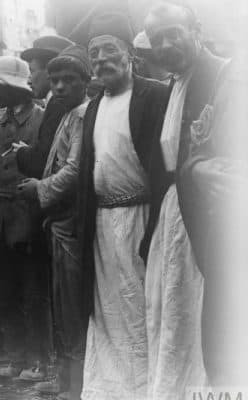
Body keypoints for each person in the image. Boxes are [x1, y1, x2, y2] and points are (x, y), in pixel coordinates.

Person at [76, 13, 170, 400]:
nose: (100, 59)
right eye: (93, 52)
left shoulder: (155, 95)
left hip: (144, 220)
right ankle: (111, 390)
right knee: (108, 311)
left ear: (130, 53)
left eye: (109, 50)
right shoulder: (94, 105)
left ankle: (149, 389)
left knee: (144, 309)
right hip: (101, 226)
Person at [144, 2, 229, 395]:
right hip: (175, 212)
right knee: (174, 309)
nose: (164, 44)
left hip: (210, 213)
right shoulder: (175, 83)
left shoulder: (222, 74)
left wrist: (202, 170)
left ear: (195, 30)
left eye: (172, 33)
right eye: (157, 38)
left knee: (204, 310)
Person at [16, 45, 91, 400]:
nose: (59, 86)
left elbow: (74, 169)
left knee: (71, 306)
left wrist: (40, 189)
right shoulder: (68, 113)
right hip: (59, 220)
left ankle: (74, 387)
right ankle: (67, 382)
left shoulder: (80, 115)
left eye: (69, 80)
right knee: (62, 303)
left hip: (70, 220)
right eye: (56, 80)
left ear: (85, 82)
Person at [177, 44, 248, 386]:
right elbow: (202, 149)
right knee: (223, 358)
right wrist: (198, 169)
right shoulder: (231, 69)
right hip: (230, 236)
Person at [0, 55, 46, 380]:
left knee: (32, 293)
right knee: (5, 293)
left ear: (17, 89)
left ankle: (38, 361)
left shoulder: (42, 121)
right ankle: (16, 358)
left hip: (27, 220)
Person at [16, 34, 74, 179]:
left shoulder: (57, 103)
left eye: (32, 71)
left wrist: (22, 152)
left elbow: (42, 162)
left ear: (51, 72)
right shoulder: (60, 102)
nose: (29, 80)